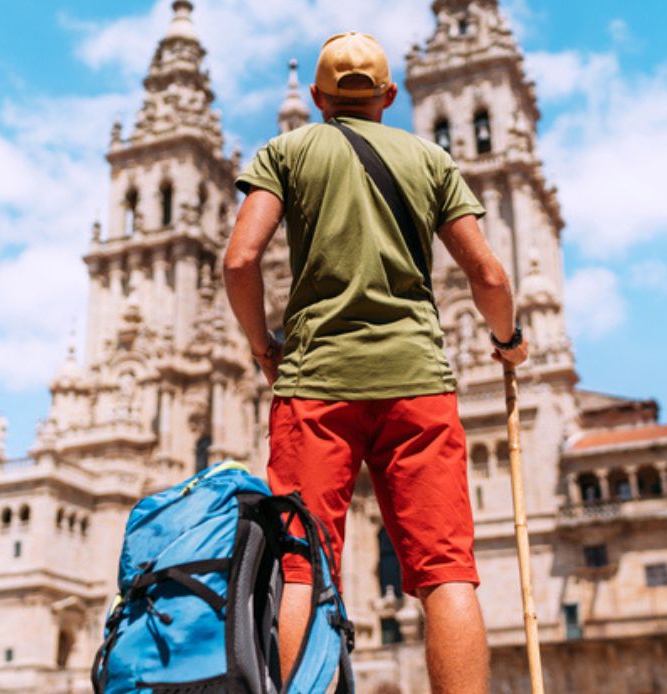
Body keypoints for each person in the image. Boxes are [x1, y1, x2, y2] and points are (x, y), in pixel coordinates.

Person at [223, 31, 528, 694]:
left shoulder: (288, 150)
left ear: (317, 98)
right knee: (446, 571)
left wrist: (261, 346)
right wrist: (508, 341)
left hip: (313, 388)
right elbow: (489, 275)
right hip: (417, 384)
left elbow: (241, 260)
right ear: (391, 96)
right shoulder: (429, 158)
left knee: (301, 567)